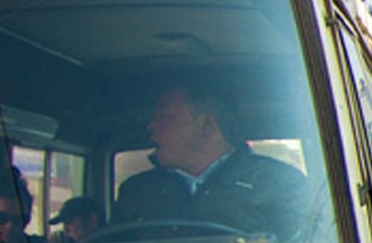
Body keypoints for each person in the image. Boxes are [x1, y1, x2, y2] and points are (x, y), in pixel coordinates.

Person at [113, 85, 307, 235]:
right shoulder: (135, 192)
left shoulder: (280, 184)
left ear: (208, 124)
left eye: (164, 116)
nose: (151, 126)